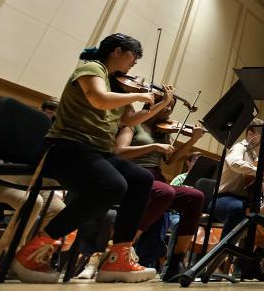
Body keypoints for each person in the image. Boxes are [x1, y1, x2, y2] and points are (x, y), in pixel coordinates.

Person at [10, 33, 161, 283]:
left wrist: (157, 104)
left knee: (141, 178)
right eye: (134, 55)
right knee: (112, 186)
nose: (135, 63)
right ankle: (35, 249)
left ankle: (118, 257)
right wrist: (137, 96)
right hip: (65, 148)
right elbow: (98, 99)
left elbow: (129, 120)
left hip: (94, 152)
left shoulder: (116, 86)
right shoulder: (92, 68)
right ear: (117, 51)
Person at [114, 100, 206, 282]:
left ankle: (176, 263)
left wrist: (193, 140)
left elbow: (170, 160)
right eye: (166, 104)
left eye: (172, 106)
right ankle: (123, 249)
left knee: (196, 197)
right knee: (165, 192)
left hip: (157, 180)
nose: (169, 109)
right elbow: (119, 151)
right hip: (134, 176)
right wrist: (154, 146)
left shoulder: (164, 132)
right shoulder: (134, 124)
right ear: (152, 105)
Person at [214, 119, 264, 237]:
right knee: (238, 208)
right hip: (224, 198)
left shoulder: (254, 155)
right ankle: (224, 249)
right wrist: (259, 172)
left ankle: (248, 250)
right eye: (262, 134)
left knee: (259, 214)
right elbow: (235, 163)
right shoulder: (239, 147)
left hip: (245, 200)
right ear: (250, 134)